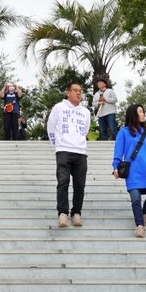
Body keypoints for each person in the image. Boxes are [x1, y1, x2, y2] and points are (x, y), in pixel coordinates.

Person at [112, 104, 146, 238]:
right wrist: (115, 167)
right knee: (135, 198)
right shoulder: (123, 132)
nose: (143, 114)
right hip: (133, 172)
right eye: (140, 112)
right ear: (133, 114)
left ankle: (145, 212)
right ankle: (140, 226)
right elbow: (118, 152)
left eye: (143, 111)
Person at [47, 82, 91, 228]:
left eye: (80, 91)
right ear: (68, 92)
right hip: (63, 150)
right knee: (63, 182)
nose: (78, 93)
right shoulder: (59, 108)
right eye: (75, 90)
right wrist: (57, 145)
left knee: (79, 185)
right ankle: (63, 213)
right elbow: (51, 127)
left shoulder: (85, 112)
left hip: (80, 152)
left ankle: (76, 212)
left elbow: (85, 130)